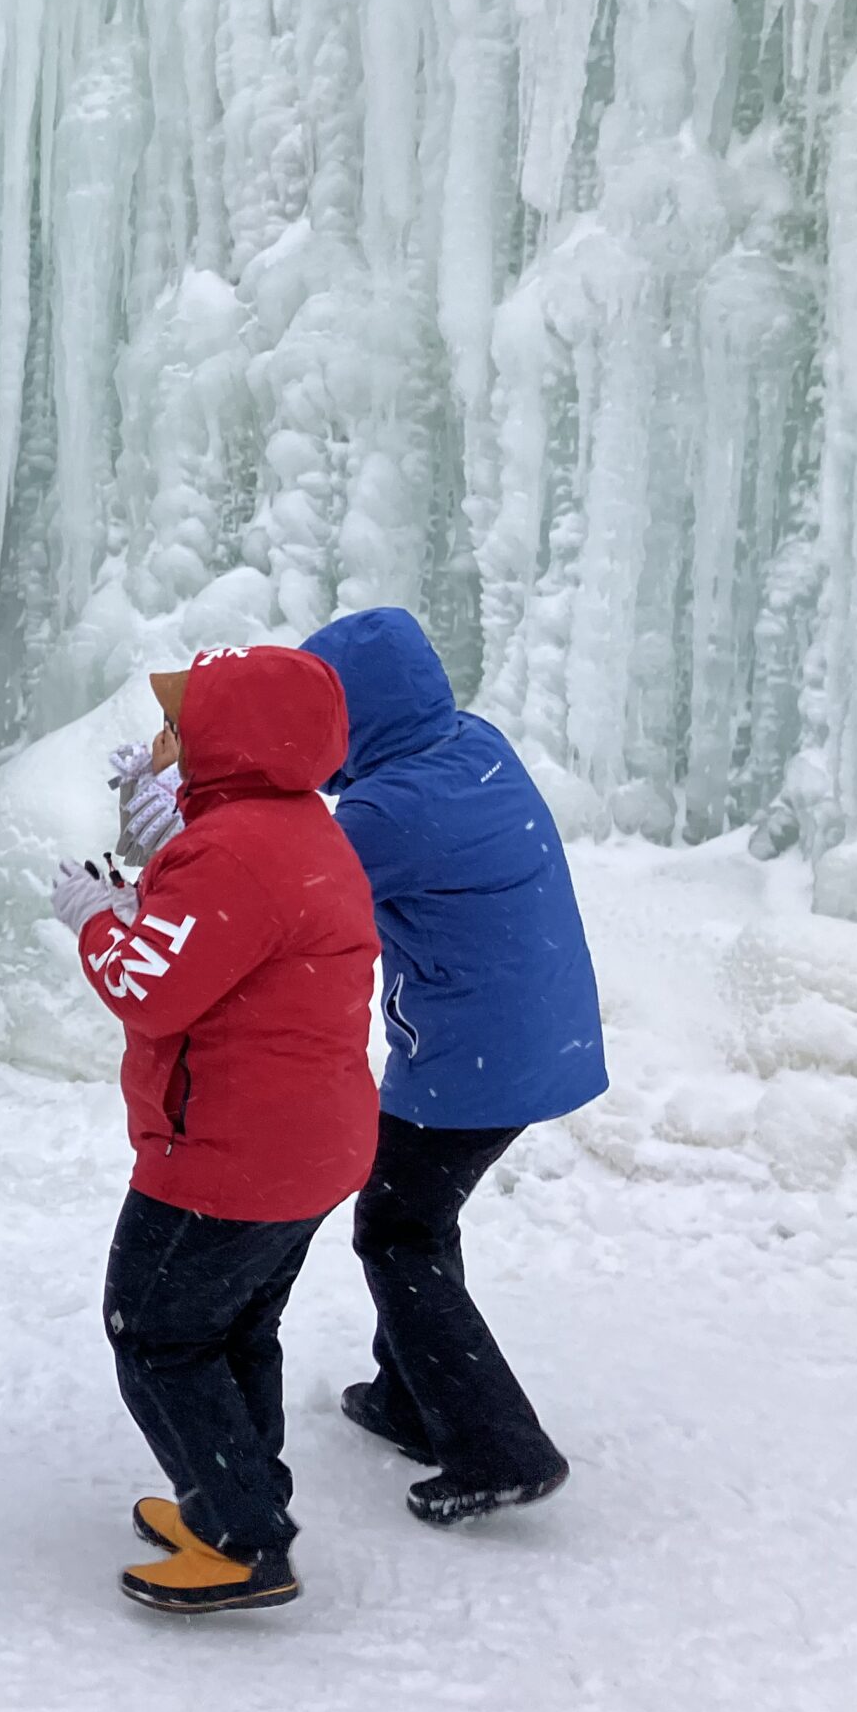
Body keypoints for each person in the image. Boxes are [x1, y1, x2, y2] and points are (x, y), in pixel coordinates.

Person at [52, 644, 376, 1614]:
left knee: (153, 1331)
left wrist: (95, 920)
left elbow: (146, 987)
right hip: (309, 1146)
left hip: (229, 1157)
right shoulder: (298, 830)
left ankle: (241, 1540)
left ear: (233, 740)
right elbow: (221, 944)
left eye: (180, 723)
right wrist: (142, 898)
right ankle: (235, 1498)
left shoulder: (231, 850)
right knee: (235, 1332)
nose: (165, 739)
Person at [298, 608, 604, 1525]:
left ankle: (499, 1448)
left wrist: (191, 810)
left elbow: (291, 892)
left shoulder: (387, 811)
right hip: (538, 1032)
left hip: (473, 1058)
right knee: (418, 1217)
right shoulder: (471, 743)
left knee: (396, 1231)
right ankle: (410, 1397)